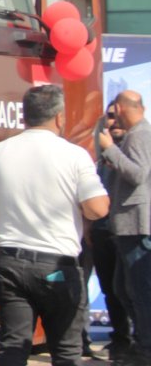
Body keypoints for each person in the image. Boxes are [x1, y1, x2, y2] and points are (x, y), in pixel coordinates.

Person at [0, 84, 109, 366]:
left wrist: (13, 203)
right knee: (66, 350)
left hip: (9, 263)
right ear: (59, 117)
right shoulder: (74, 155)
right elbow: (97, 209)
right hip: (56, 267)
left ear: (24, 116)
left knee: (12, 346)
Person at [97, 90, 151, 365]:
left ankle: (145, 349)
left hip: (137, 226)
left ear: (119, 107)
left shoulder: (140, 134)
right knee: (123, 289)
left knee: (139, 292)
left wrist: (110, 149)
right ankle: (141, 342)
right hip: (127, 227)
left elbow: (139, 174)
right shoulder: (136, 134)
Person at [90, 101, 132, 360]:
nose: (112, 123)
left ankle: (139, 342)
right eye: (109, 118)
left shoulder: (136, 149)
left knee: (130, 289)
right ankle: (120, 339)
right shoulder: (101, 156)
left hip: (129, 231)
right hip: (103, 230)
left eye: (117, 117)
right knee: (110, 289)